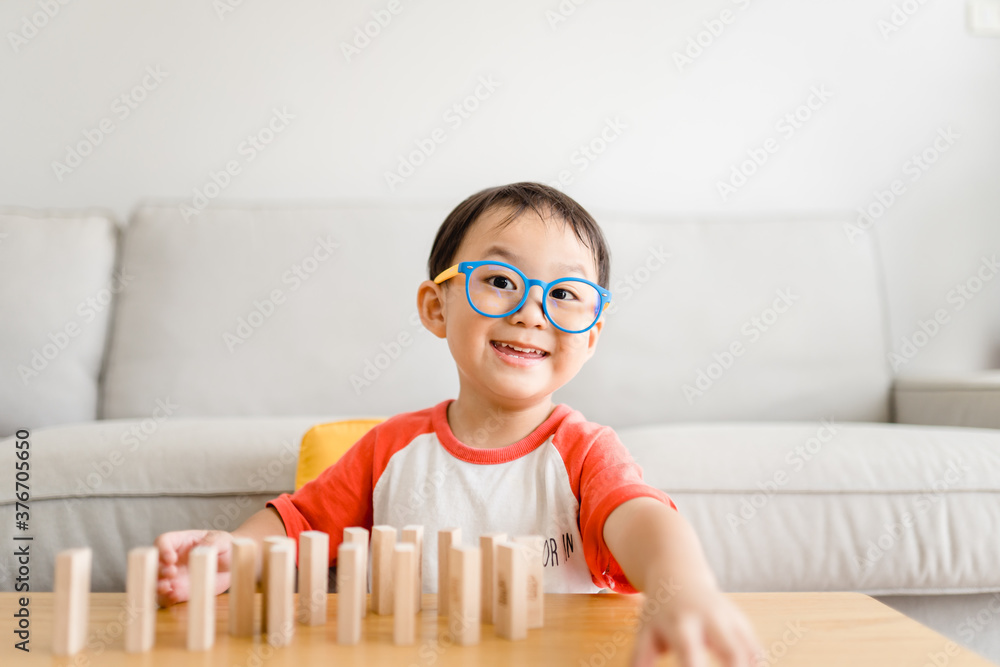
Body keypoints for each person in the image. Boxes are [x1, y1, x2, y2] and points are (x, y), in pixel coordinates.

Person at [155, 182, 763, 666]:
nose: (530, 310)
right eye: (500, 281)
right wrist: (233, 551)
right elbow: (301, 521)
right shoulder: (391, 449)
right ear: (436, 307)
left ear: (593, 336)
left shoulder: (584, 452)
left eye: (565, 293)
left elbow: (642, 517)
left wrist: (682, 588)